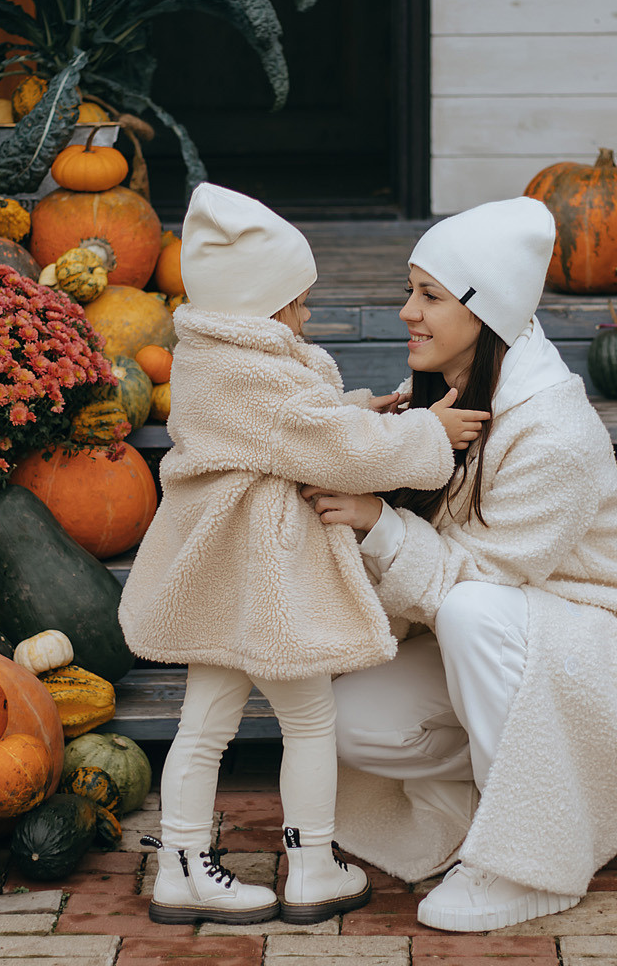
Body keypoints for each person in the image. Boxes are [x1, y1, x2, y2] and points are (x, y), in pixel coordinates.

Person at [306, 197, 617, 932]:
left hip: (605, 651)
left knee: (470, 610)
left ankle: (529, 859)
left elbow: (477, 584)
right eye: (410, 291)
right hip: (519, 639)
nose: (405, 313)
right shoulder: (453, 393)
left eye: (428, 295)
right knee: (348, 719)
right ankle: (484, 809)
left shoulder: (553, 433)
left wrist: (378, 522)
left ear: (483, 313)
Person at [120, 183, 492, 926]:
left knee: (205, 723)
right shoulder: (259, 375)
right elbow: (326, 446)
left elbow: (294, 431)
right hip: (264, 582)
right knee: (310, 719)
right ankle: (312, 864)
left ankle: (180, 866)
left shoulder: (213, 362)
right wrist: (426, 435)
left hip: (218, 577)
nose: (307, 315)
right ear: (263, 305)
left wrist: (361, 409)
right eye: (298, 302)